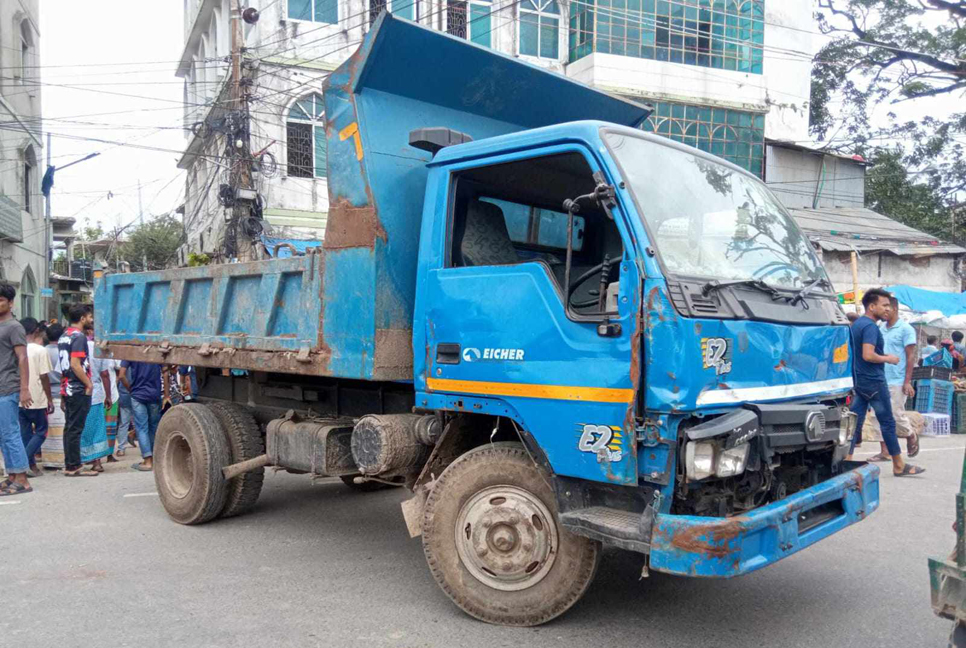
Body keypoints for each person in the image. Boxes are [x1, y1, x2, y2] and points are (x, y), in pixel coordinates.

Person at [848, 288, 924, 477]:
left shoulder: (857, 325)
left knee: (854, 424)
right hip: (874, 382)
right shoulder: (871, 327)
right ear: (872, 306)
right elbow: (868, 354)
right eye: (883, 305)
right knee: (887, 422)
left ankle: (846, 462)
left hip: (860, 381)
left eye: (889, 306)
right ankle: (898, 465)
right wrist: (888, 358)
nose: (887, 309)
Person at [862, 296, 919, 460]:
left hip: (897, 379)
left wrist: (907, 381)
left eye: (887, 308)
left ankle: (910, 433)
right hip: (879, 378)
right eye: (883, 307)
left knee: (895, 414)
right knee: (876, 415)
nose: (884, 311)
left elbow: (910, 357)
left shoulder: (906, 329)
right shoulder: (879, 327)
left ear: (894, 309)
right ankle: (885, 451)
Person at [0, 284, 33, 496]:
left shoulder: (14, 327)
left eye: (1, 300)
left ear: (10, 303)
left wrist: (24, 389)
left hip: (8, 386)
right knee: (4, 435)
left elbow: (22, 358)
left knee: (11, 433)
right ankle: (11, 475)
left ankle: (22, 478)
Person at [58, 304, 97, 477]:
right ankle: (73, 466)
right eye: (89, 317)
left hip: (68, 388)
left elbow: (63, 367)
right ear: (82, 318)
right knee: (75, 429)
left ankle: (71, 464)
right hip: (78, 388)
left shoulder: (63, 336)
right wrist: (88, 384)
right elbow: (75, 364)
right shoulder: (79, 337)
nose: (91, 320)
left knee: (69, 428)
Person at [18, 318, 53, 478]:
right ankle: (24, 461)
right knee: (41, 431)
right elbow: (44, 377)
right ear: (36, 331)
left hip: (19, 397)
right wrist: (49, 398)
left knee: (25, 433)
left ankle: (30, 465)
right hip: (37, 397)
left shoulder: (16, 349)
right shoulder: (40, 350)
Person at [118, 359, 162, 472]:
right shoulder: (156, 351)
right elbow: (167, 370)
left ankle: (148, 461)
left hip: (138, 395)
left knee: (142, 428)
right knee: (154, 427)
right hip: (154, 394)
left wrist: (131, 390)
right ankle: (156, 459)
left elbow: (121, 375)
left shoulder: (131, 352)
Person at [79, 324, 111, 471]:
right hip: (96, 393)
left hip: (79, 393)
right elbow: (105, 374)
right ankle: (97, 461)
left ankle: (85, 458)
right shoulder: (98, 348)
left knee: (83, 428)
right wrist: (108, 395)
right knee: (97, 428)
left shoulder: (76, 347)